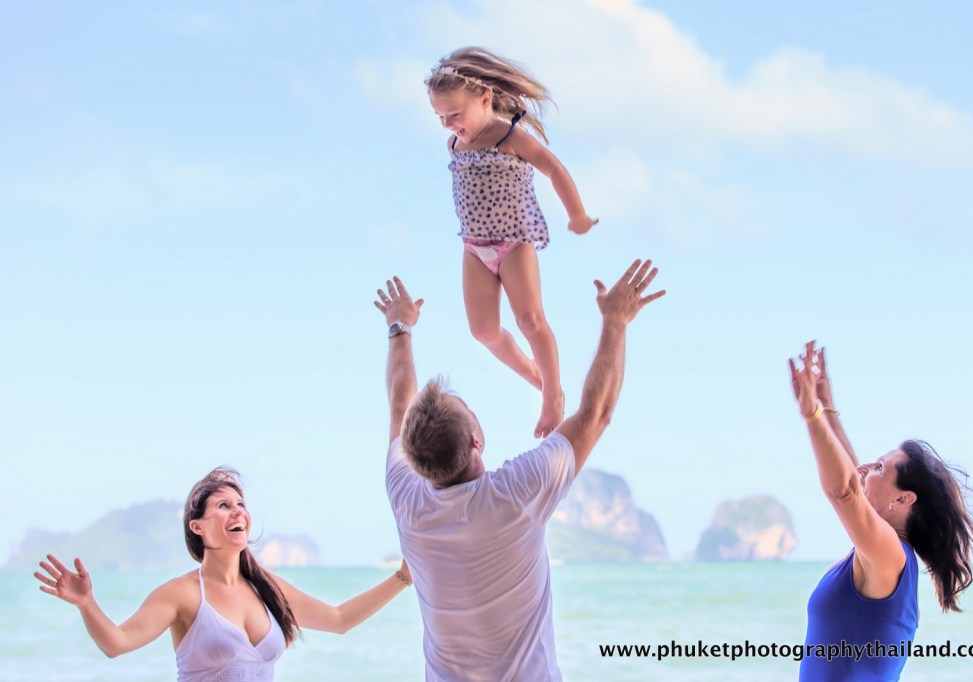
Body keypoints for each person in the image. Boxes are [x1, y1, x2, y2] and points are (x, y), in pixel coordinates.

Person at [374, 259, 664, 681]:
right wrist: (615, 321)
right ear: (478, 439)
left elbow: (401, 404)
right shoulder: (516, 495)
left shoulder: (407, 498)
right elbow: (595, 414)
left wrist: (400, 328)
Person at [35, 467, 412, 681]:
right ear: (196, 527)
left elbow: (339, 619)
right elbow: (116, 643)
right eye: (223, 505)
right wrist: (86, 603)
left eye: (241, 504)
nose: (237, 511)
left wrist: (402, 578)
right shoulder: (182, 594)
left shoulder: (268, 588)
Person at [425, 46, 599, 438]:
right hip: (473, 246)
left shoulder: (509, 136)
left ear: (485, 100)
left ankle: (553, 397)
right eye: (439, 116)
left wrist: (577, 215)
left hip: (514, 242)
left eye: (454, 114)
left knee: (529, 320)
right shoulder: (454, 144)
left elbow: (554, 169)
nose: (447, 124)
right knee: (484, 331)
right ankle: (539, 378)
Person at [789, 341, 973, 681]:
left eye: (879, 467)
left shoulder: (890, 558)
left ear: (903, 500)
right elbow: (852, 479)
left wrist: (812, 416)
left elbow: (845, 490)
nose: (864, 466)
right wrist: (827, 408)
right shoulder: (883, 556)